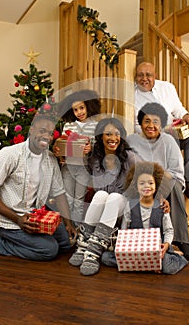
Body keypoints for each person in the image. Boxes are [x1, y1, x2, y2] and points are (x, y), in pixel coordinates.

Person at [0, 113, 76, 261]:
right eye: (42, 131)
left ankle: (31, 241)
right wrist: (18, 219)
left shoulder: (50, 158)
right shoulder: (9, 154)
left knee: (65, 243)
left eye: (50, 133)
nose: (47, 137)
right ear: (31, 130)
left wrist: (68, 222)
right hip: (9, 220)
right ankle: (2, 244)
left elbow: (59, 193)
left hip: (34, 217)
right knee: (49, 250)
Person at [69, 117, 143, 276]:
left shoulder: (129, 157)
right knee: (101, 194)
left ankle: (93, 252)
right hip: (101, 206)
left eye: (117, 134)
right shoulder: (95, 157)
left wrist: (160, 197)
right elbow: (79, 170)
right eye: (108, 134)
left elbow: (148, 175)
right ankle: (83, 245)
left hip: (122, 206)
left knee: (114, 197)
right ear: (100, 136)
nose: (113, 138)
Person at [127, 102, 189, 261]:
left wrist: (158, 192)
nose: (151, 126)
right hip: (140, 184)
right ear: (141, 123)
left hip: (166, 182)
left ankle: (181, 239)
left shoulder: (169, 141)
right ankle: (149, 241)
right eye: (147, 121)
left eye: (155, 122)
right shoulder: (131, 140)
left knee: (174, 186)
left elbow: (176, 172)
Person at [102, 161, 188, 275]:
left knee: (169, 268)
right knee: (106, 257)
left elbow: (169, 230)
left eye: (150, 183)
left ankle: (162, 259)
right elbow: (124, 229)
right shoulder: (130, 205)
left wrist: (166, 245)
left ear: (156, 185)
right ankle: (150, 265)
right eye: (142, 183)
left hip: (158, 249)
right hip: (135, 249)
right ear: (135, 186)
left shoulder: (162, 206)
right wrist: (124, 249)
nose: (146, 186)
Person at [135, 61, 189, 202]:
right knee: (169, 136)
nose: (144, 78)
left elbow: (177, 108)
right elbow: (135, 124)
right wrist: (155, 129)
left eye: (148, 75)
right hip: (152, 135)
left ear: (155, 76)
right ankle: (173, 177)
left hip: (174, 130)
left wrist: (186, 116)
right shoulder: (132, 94)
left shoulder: (167, 87)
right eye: (140, 75)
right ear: (136, 77)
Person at [54, 89, 101, 226]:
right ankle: (67, 227)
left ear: (88, 106)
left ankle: (77, 229)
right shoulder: (68, 125)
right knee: (68, 199)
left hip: (83, 168)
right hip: (68, 167)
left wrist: (90, 149)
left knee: (79, 200)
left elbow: (97, 148)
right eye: (75, 110)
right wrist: (60, 152)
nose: (79, 112)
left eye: (82, 108)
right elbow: (62, 143)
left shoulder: (95, 125)